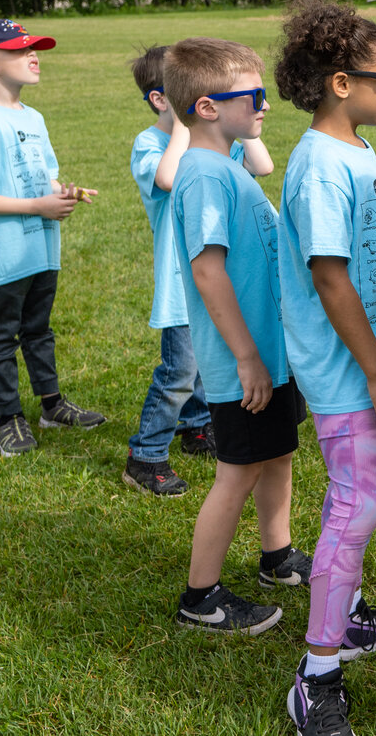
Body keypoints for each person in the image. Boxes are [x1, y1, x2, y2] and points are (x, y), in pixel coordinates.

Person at [275, 0, 376, 736]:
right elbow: (331, 278)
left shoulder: (353, 150)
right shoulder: (317, 167)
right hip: (346, 374)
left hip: (366, 365)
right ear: (341, 83)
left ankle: (353, 617)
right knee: (354, 506)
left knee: (359, 501)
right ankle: (317, 671)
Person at [166, 37, 309, 635]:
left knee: (276, 454)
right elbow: (207, 270)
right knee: (237, 472)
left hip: (271, 357)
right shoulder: (202, 175)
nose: (264, 106)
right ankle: (200, 596)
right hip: (243, 362)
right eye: (253, 96)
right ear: (206, 107)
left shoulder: (225, 165)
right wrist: (247, 358)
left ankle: (277, 555)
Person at [124, 44, 274, 496]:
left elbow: (262, 165)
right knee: (179, 373)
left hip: (218, 278)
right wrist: (183, 130)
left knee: (206, 366)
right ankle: (145, 455)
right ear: (161, 99)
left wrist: (243, 120)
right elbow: (167, 179)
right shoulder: (152, 145)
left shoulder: (218, 143)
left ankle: (195, 425)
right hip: (182, 285)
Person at [0, 19, 105, 457]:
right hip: (4, 253)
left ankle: (52, 404)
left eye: (33, 49)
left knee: (38, 329)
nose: (33, 56)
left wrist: (62, 192)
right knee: (2, 335)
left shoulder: (33, 117)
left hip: (41, 245)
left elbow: (45, 176)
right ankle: (9, 418)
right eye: (20, 51)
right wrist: (38, 207)